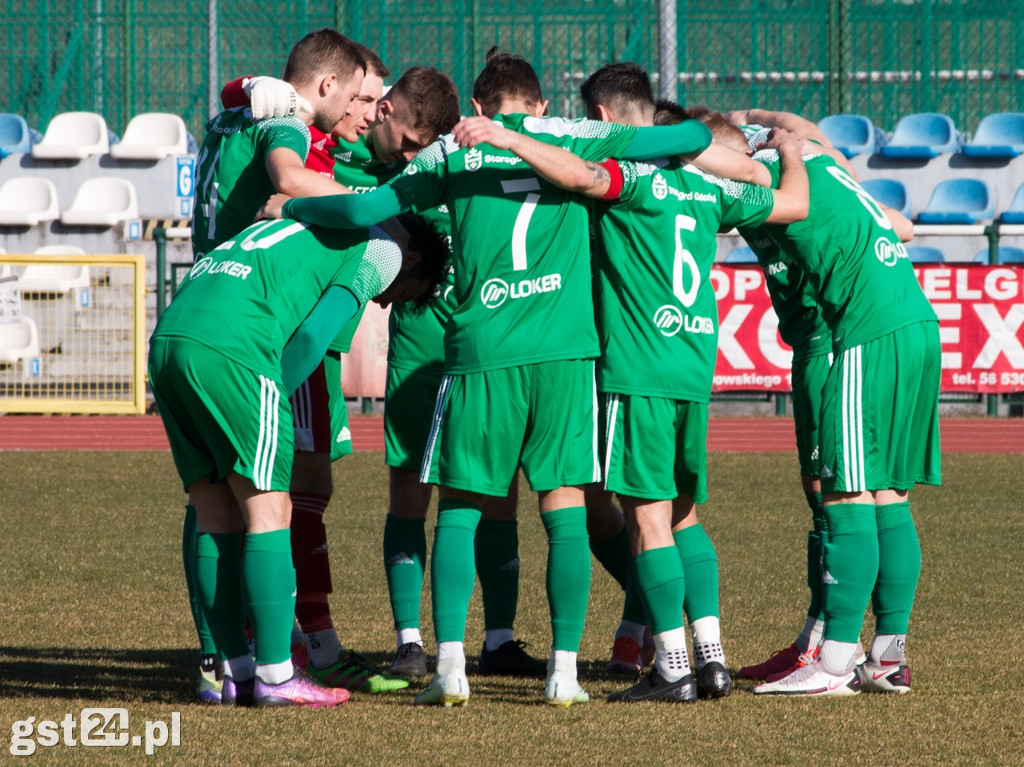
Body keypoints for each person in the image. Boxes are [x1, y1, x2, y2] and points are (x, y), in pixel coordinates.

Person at [258, 48, 719, 707]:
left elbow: (366, 213)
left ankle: (448, 667)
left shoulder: (453, 151)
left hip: (482, 350)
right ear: (537, 104)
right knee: (565, 512)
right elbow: (692, 136)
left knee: (459, 511)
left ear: (476, 108)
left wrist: (292, 208)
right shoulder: (570, 133)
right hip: (565, 355)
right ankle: (564, 673)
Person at [458, 63, 811, 702]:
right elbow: (795, 204)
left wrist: (512, 139)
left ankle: (672, 667)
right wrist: (789, 151)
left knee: (645, 519)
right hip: (692, 365)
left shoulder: (634, 180)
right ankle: (714, 657)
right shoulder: (705, 187)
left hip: (637, 369)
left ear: (599, 119)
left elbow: (583, 174)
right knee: (686, 516)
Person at [150, 214, 448, 707]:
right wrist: (271, 398)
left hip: (169, 339)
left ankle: (233, 673)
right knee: (270, 511)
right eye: (400, 294)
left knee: (214, 511)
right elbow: (312, 337)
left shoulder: (302, 223)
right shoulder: (384, 249)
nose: (382, 301)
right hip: (234, 346)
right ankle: (275, 675)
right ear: (410, 259)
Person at [711, 115, 940, 697]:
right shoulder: (817, 158)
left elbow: (731, 169)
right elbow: (903, 225)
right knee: (884, 492)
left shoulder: (760, 177)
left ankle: (833, 661)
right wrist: (768, 128)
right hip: (908, 324)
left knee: (840, 495)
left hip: (856, 336)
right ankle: (882, 657)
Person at [185, 27, 367, 703]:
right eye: (354, 93)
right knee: (263, 500)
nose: (358, 108)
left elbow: (236, 97)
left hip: (198, 305)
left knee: (210, 503)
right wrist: (370, 206)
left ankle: (220, 659)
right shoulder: (286, 121)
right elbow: (291, 177)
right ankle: (270, 668)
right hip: (247, 321)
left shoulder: (229, 113)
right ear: (325, 87)